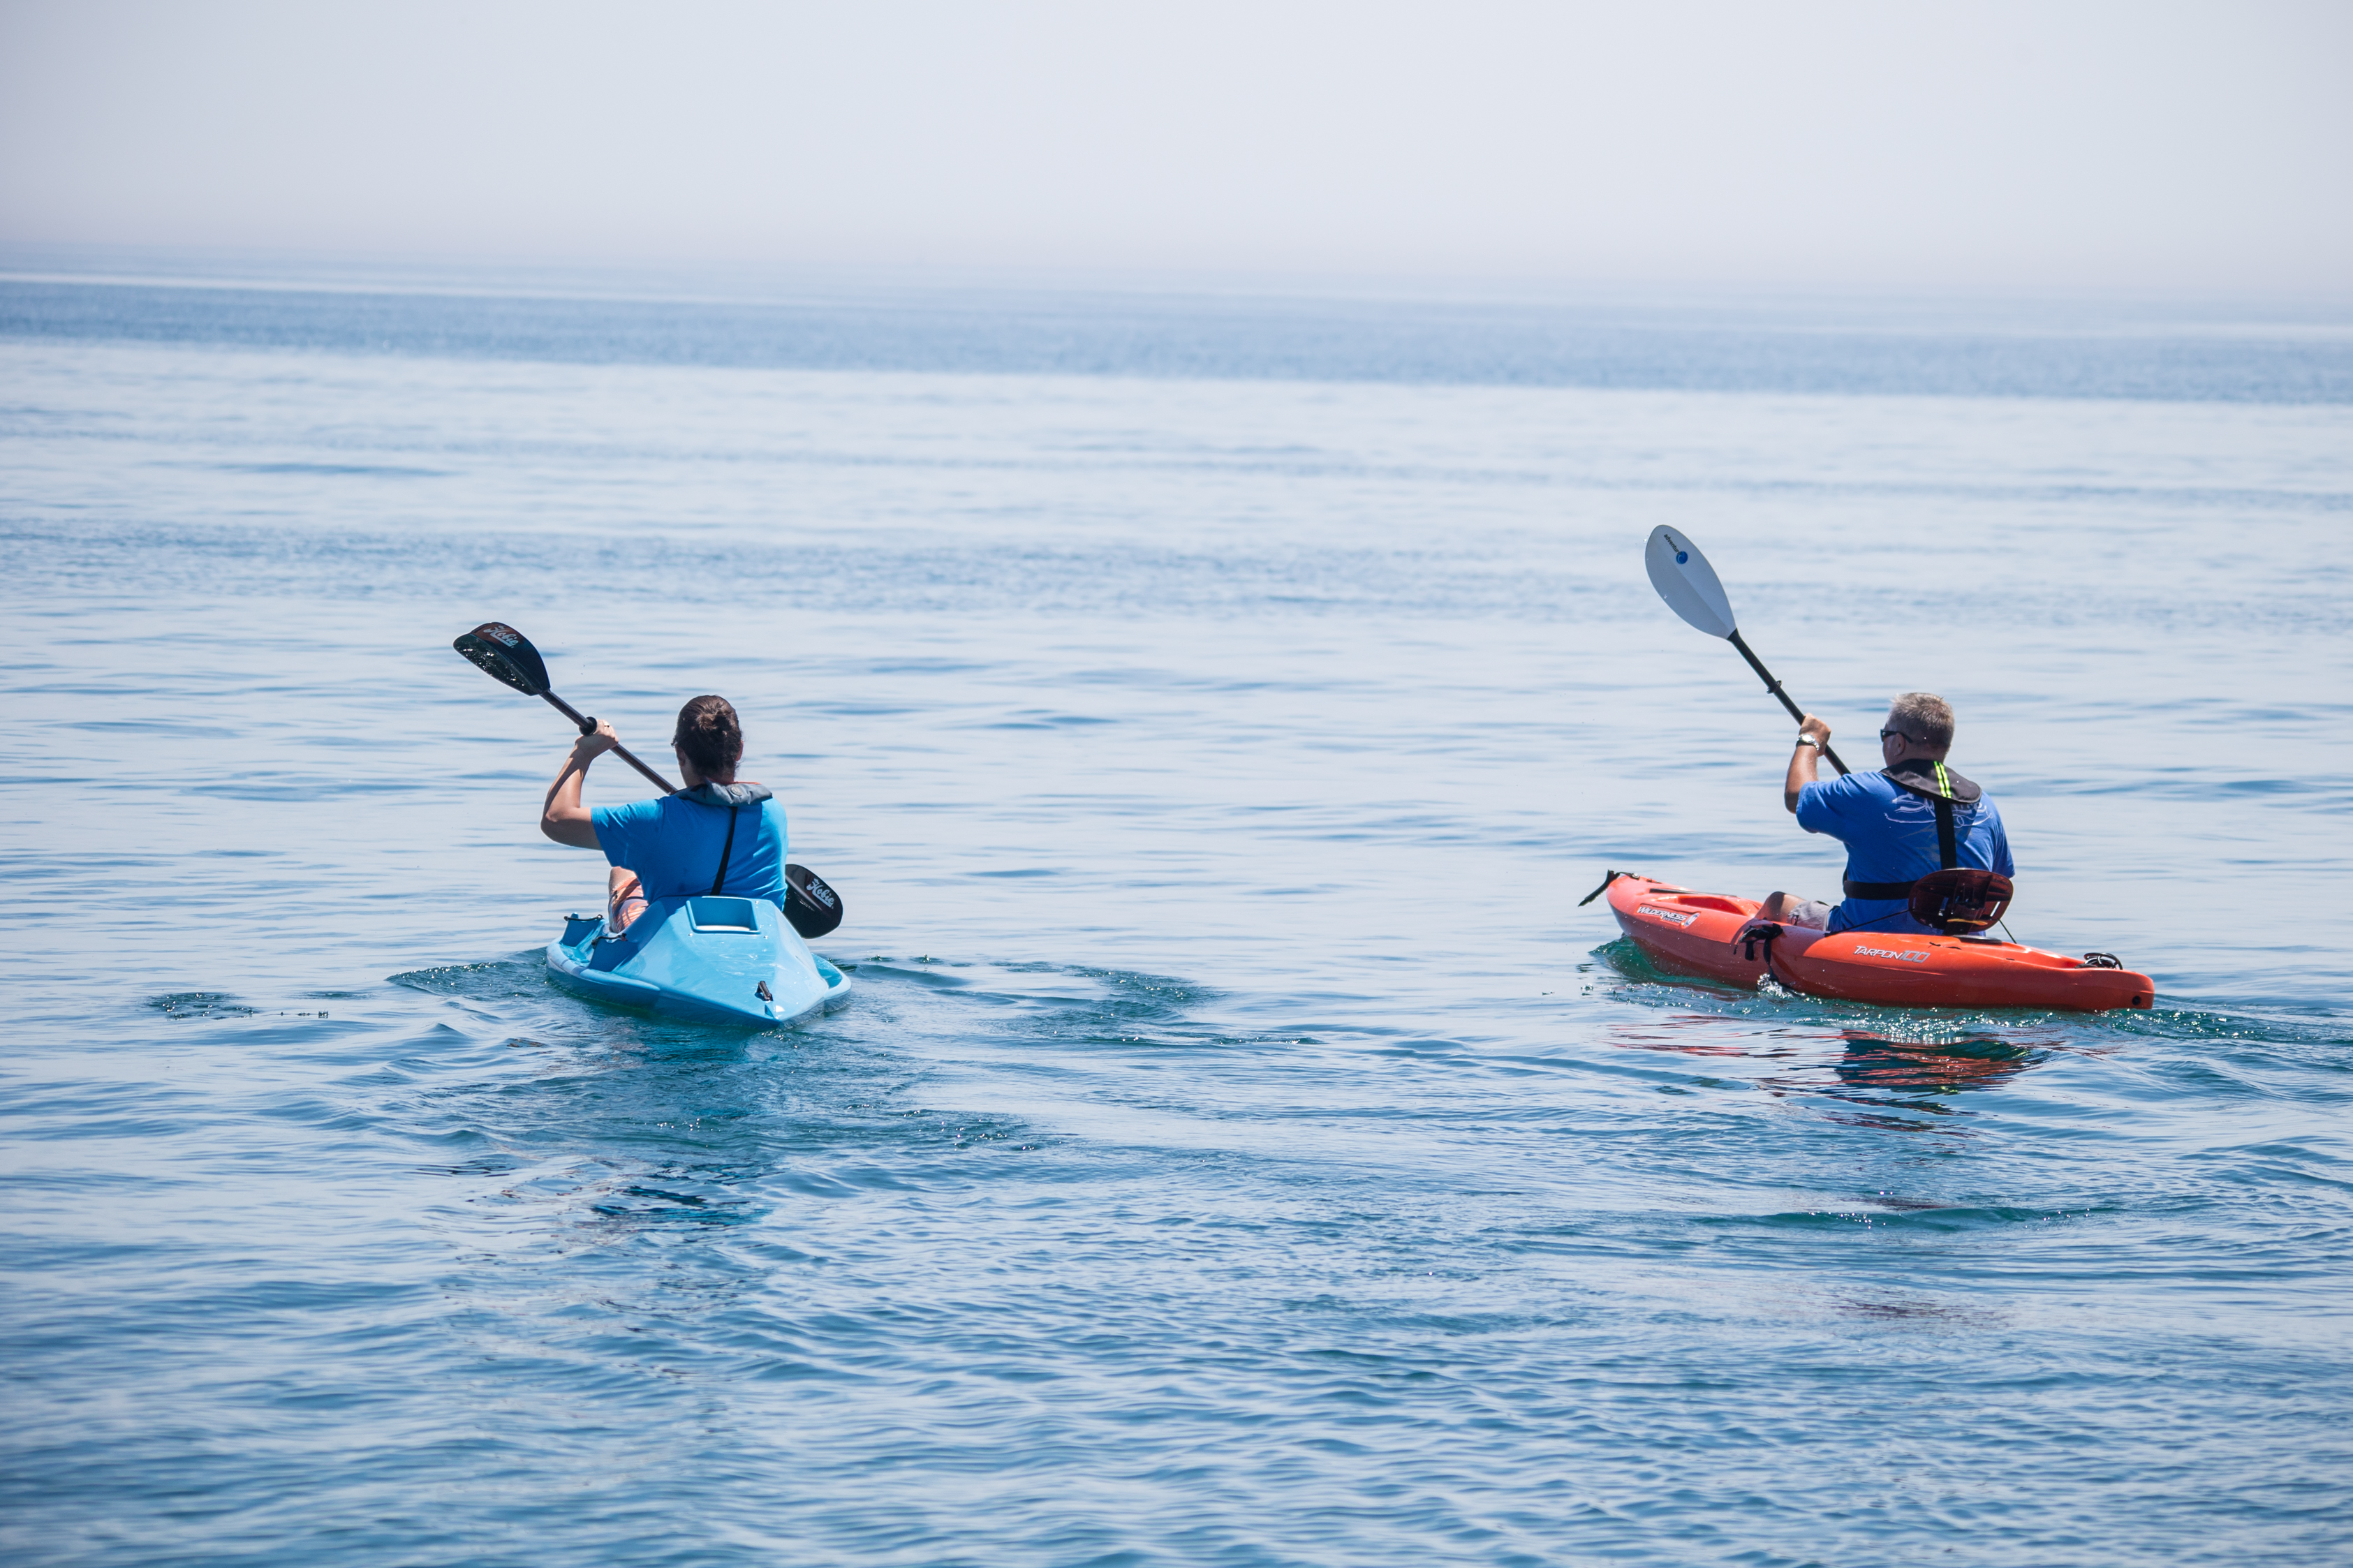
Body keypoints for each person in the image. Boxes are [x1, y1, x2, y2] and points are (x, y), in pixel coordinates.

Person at [1756, 691, 2013, 936]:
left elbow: (1796, 796)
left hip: (1872, 940)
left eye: (1885, 735)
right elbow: (2000, 878)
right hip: (1964, 944)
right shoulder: (1985, 804)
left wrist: (1810, 740)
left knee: (1777, 903)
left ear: (1899, 742)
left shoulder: (1866, 791)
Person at [539, 695, 787, 934]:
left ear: (680, 754)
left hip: (676, 939)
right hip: (759, 937)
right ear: (739, 750)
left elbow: (556, 820)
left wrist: (583, 753)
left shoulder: (654, 819)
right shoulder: (772, 812)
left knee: (623, 870)